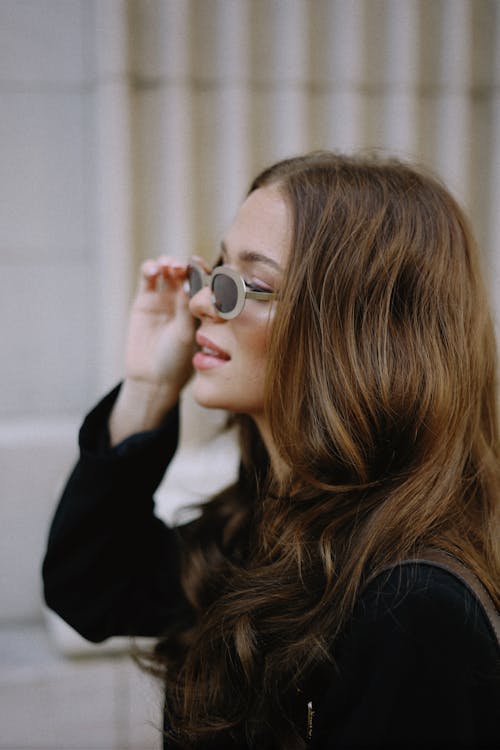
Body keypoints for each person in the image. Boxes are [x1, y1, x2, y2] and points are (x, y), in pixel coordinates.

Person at [43, 152, 500, 749]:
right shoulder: (258, 523)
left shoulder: (412, 608)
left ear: (358, 330)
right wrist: (149, 389)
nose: (202, 302)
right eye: (214, 270)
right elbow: (90, 588)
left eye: (250, 284)